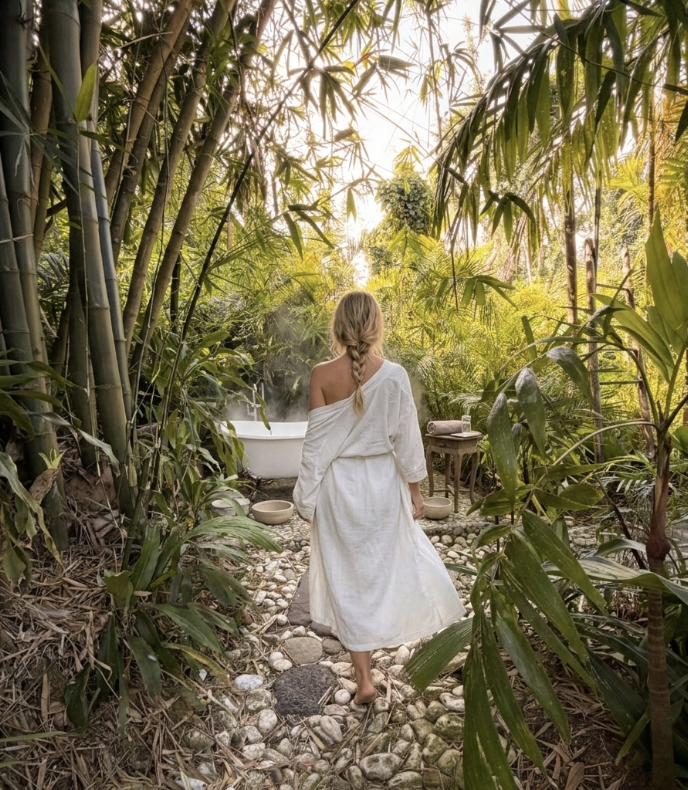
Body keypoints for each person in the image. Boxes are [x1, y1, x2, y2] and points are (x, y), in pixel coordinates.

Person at [293, 291, 466, 705]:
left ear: (337, 328)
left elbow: (314, 448)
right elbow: (407, 441)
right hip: (382, 487)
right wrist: (416, 492)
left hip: (339, 490)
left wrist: (306, 499)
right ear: (375, 327)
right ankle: (385, 638)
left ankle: (364, 679)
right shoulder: (395, 375)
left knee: (347, 579)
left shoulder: (320, 375)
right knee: (381, 571)